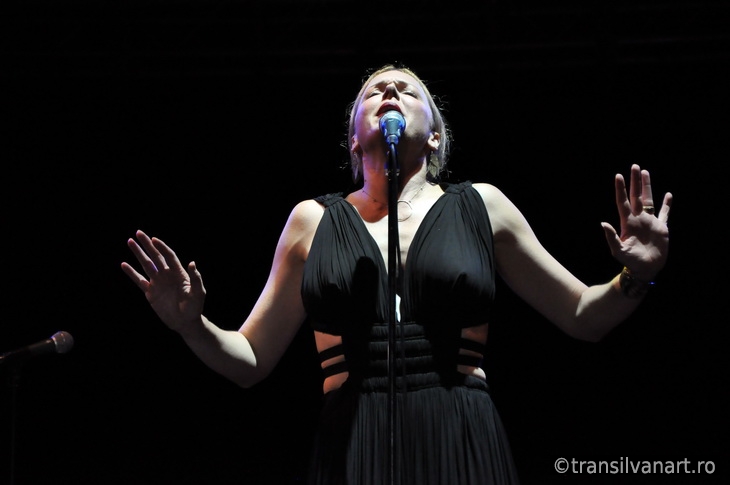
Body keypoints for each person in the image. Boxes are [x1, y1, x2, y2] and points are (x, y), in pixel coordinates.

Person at [121, 63, 671, 485]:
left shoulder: (483, 206)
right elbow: (251, 360)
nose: (390, 93)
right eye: (374, 91)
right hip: (352, 440)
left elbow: (582, 315)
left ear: (435, 136)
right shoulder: (312, 221)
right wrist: (191, 325)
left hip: (460, 431)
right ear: (354, 140)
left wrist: (635, 278)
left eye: (409, 91)